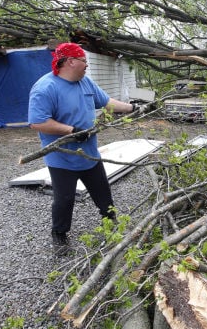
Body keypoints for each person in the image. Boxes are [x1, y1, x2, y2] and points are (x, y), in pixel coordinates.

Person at [28, 42, 138, 254]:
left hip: (89, 154)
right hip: (62, 158)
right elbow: (37, 122)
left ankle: (111, 223)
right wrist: (71, 130)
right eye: (84, 61)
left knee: (103, 192)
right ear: (70, 62)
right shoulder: (45, 88)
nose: (86, 65)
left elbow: (107, 102)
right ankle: (59, 235)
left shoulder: (85, 83)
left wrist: (133, 107)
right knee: (64, 199)